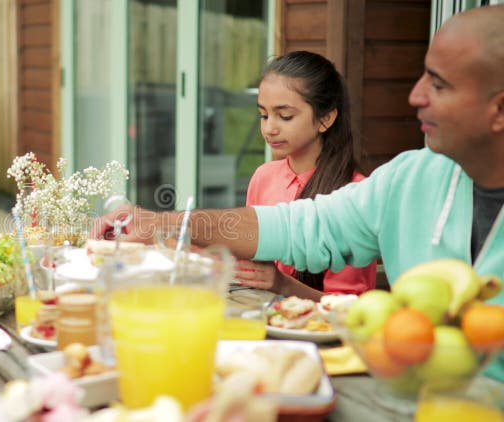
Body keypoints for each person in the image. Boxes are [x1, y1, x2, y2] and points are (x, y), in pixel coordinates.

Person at [92, 5, 504, 380]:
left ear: (499, 109)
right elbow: (296, 225)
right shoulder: (409, 178)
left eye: (438, 84)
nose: (414, 96)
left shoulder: (365, 178)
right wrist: (158, 222)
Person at [239, 51, 375, 299]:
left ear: (325, 118)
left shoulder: (355, 193)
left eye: (285, 116)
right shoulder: (263, 176)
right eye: (263, 115)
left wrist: (283, 285)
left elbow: (349, 305)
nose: (269, 128)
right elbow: (252, 261)